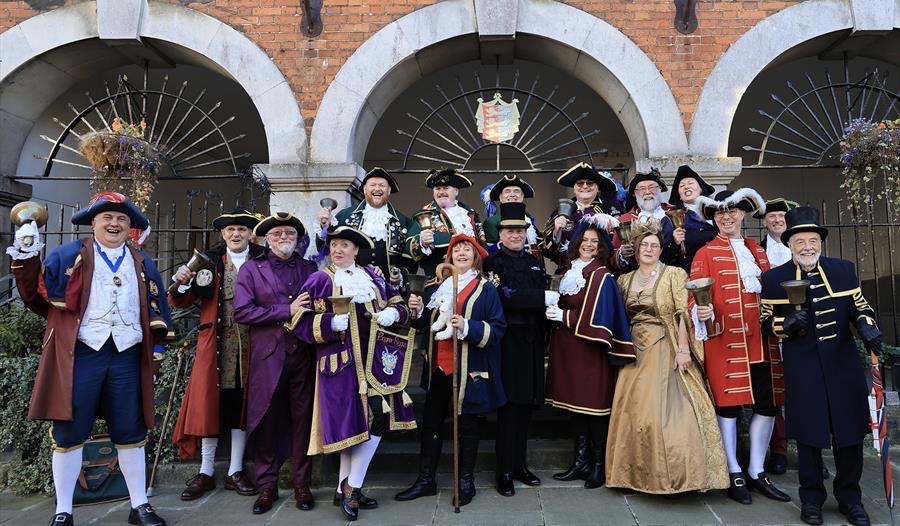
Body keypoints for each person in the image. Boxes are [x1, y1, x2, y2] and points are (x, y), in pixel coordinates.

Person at [7, 192, 172, 526]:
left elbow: (158, 313)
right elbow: (35, 294)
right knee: (70, 431)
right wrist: (27, 254)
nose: (114, 224)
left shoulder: (142, 262)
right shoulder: (68, 255)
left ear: (129, 227)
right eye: (107, 217)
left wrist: (155, 357)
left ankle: (139, 506)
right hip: (81, 353)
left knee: (131, 429)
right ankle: (63, 511)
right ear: (93, 222)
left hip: (126, 355)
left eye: (122, 219)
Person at [760, 206, 882, 526]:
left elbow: (861, 307)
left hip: (843, 365)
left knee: (849, 434)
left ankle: (850, 499)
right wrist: (785, 325)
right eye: (800, 241)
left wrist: (867, 326)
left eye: (812, 240)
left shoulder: (843, 270)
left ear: (820, 242)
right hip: (803, 367)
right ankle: (811, 500)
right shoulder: (773, 279)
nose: (807, 247)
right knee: (810, 435)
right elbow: (764, 322)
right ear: (790, 244)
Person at [289, 225, 416, 521]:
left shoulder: (372, 277)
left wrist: (394, 313)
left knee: (377, 419)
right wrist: (328, 324)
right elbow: (298, 321)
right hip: (341, 365)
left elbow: (398, 303)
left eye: (345, 245)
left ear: (356, 250)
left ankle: (347, 487)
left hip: (377, 365)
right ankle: (350, 488)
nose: (338, 249)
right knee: (355, 427)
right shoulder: (320, 280)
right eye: (334, 245)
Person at [605, 222, 729, 494]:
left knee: (667, 412)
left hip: (666, 345)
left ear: (661, 250)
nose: (649, 250)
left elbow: (682, 313)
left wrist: (683, 349)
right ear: (636, 250)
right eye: (644, 245)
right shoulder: (624, 280)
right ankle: (632, 476)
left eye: (654, 246)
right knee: (633, 411)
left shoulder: (674, 274)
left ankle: (676, 478)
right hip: (634, 349)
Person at [691, 189, 790, 505]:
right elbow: (694, 296)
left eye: (732, 211)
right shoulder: (705, 253)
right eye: (720, 212)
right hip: (726, 341)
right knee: (728, 406)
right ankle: (732, 469)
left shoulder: (757, 250)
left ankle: (756, 470)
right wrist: (700, 310)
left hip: (763, 341)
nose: (727, 217)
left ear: (743, 214)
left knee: (767, 404)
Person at [395, 233, 507, 506]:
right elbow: (425, 324)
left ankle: (465, 481)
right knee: (431, 423)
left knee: (467, 425)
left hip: (469, 369)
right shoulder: (439, 287)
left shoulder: (486, 289)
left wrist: (467, 326)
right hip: (438, 367)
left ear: (476, 258)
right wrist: (418, 310)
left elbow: (497, 329)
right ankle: (426, 480)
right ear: (450, 257)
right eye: (457, 250)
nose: (461, 254)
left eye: (467, 250)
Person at [169, 208, 263, 501]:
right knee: (210, 404)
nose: (236, 234)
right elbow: (181, 299)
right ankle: (206, 471)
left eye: (242, 230)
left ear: (250, 234)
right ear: (223, 233)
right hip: (215, 344)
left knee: (240, 404)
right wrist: (182, 280)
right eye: (231, 230)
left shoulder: (262, 259)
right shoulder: (209, 261)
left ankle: (236, 470)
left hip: (252, 344)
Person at [233, 212, 317, 515]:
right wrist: (286, 310)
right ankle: (267, 484)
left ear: (297, 238)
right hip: (268, 357)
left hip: (303, 356)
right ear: (267, 239)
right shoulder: (251, 269)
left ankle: (302, 484)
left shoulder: (309, 268)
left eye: (289, 233)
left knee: (303, 420)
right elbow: (242, 312)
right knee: (266, 419)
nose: (284, 237)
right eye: (278, 233)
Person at [544, 221, 635, 489]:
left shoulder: (602, 275)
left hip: (590, 348)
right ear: (577, 243)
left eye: (594, 241)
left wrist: (565, 316)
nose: (588, 244)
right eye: (584, 240)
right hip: (567, 347)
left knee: (594, 408)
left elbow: (603, 317)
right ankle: (580, 462)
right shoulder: (568, 270)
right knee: (575, 407)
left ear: (601, 247)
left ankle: (598, 466)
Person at [483, 202, 550, 496]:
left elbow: (538, 296)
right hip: (507, 342)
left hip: (531, 340)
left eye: (520, 230)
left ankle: (521, 465)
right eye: (510, 231)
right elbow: (504, 297)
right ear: (500, 233)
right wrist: (542, 298)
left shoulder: (534, 261)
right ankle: (504, 472)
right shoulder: (492, 262)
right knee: (509, 409)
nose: (516, 235)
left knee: (526, 407)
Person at [754, 197, 799, 476]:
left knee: (803, 390)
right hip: (771, 325)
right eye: (771, 216)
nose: (777, 219)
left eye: (781, 215)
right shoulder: (755, 251)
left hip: (801, 326)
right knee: (775, 391)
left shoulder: (802, 247)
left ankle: (809, 449)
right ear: (765, 221)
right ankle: (779, 450)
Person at [316, 167, 417, 277]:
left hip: (389, 285)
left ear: (389, 191)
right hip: (351, 282)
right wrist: (325, 226)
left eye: (382, 185)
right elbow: (326, 249)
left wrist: (399, 276)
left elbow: (410, 260)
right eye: (372, 185)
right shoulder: (345, 216)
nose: (377, 189)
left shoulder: (403, 221)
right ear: (364, 190)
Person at [406, 168, 485, 289]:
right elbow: (408, 248)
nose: (441, 192)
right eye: (437, 188)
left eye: (446, 188)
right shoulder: (423, 215)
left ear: (456, 191)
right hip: (438, 283)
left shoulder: (469, 214)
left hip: (472, 281)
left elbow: (482, 245)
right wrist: (421, 241)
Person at [542, 162, 617, 270]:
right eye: (580, 183)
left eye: (589, 183)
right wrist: (556, 233)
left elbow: (614, 247)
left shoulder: (608, 211)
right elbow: (546, 251)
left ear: (597, 188)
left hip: (599, 271)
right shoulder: (560, 212)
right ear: (574, 188)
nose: (585, 186)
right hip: (568, 271)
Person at [612, 169, 681, 273]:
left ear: (659, 190)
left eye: (652, 187)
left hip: (672, 272)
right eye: (642, 189)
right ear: (635, 193)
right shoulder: (624, 220)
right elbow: (612, 256)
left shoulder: (676, 214)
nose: (648, 192)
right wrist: (622, 254)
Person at [667, 164, 718, 271]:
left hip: (718, 267)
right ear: (679, 196)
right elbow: (664, 255)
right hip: (691, 271)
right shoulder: (671, 217)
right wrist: (674, 242)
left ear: (701, 189)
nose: (686, 187)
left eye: (690, 183)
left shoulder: (716, 211)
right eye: (681, 186)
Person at [482, 174, 541, 254]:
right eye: (507, 191)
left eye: (516, 191)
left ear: (522, 196)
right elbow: (489, 252)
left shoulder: (528, 218)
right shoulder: (492, 222)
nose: (512, 195)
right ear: (500, 197)